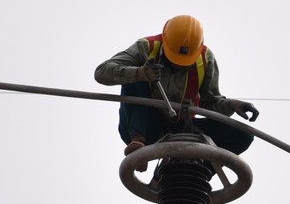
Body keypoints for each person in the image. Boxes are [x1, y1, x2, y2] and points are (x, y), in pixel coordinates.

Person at [95, 15, 258, 156]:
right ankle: (139, 141)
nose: (179, 65)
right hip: (146, 124)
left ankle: (199, 172)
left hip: (182, 126)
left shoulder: (205, 60)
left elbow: (210, 104)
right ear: (164, 42)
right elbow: (102, 72)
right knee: (134, 76)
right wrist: (140, 73)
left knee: (243, 136)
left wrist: (232, 105)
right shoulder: (146, 47)